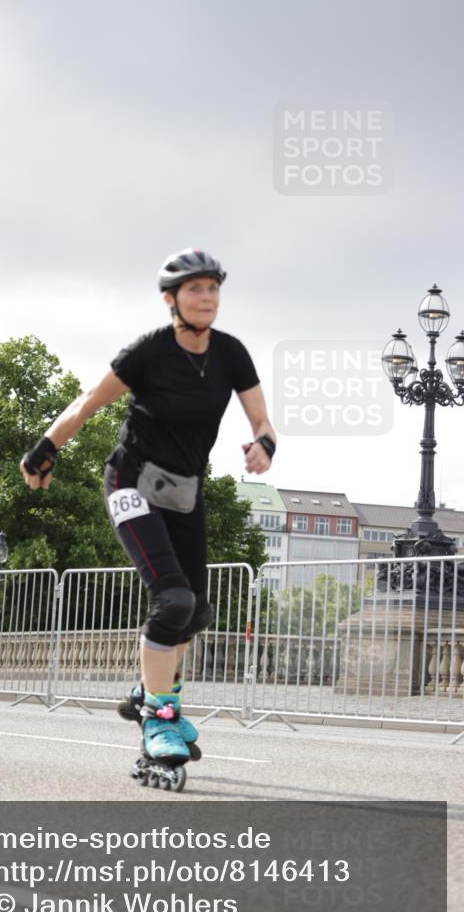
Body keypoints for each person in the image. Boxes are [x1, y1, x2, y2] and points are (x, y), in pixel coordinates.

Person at [20, 248, 276, 781]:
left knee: (197, 611)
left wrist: (263, 445)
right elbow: (88, 402)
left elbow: (262, 420)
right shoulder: (148, 352)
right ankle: (160, 718)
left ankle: (149, 692)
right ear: (170, 299)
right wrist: (45, 448)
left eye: (213, 288)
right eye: (195, 289)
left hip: (184, 492)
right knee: (173, 600)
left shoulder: (231, 353)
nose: (207, 298)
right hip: (131, 481)